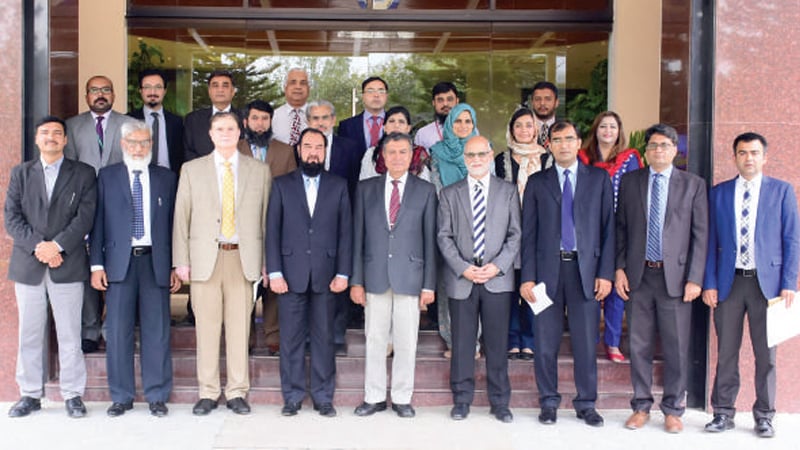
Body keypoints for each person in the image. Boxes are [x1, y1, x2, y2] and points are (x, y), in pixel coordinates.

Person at [172, 112, 271, 416]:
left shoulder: (259, 171)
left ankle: (237, 391)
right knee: (207, 328)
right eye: (219, 129)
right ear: (211, 134)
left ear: (240, 132)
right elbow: (181, 217)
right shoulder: (192, 170)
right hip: (205, 260)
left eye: (231, 128)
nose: (225, 133)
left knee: (240, 328)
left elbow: (266, 220)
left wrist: (267, 262)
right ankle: (208, 391)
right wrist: (181, 261)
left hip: (243, 257)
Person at [702, 132, 799, 438]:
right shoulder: (719, 193)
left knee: (766, 355)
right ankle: (723, 412)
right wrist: (710, 282)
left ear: (764, 157)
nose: (748, 158)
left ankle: (765, 415)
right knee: (727, 352)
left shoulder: (782, 192)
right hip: (729, 283)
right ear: (735, 157)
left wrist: (789, 283)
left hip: (767, 286)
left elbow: (792, 240)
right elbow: (709, 242)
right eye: (742, 153)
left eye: (754, 153)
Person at [519, 120, 614, 428]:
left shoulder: (598, 179)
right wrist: (527, 278)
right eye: (557, 139)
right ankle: (548, 401)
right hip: (546, 273)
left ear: (578, 142)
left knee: (586, 342)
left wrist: (605, 273)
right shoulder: (537, 182)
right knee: (545, 342)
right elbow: (528, 234)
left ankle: (586, 403)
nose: (563, 144)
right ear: (549, 145)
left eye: (568, 139)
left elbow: (608, 230)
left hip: (585, 272)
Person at [615, 123, 708, 434]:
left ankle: (673, 409)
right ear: (646, 150)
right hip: (639, 275)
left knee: (676, 347)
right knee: (638, 344)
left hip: (678, 280)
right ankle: (641, 405)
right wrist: (618, 268)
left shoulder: (692, 184)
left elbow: (700, 235)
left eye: (664, 146)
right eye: (653, 145)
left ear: (674, 150)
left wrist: (695, 278)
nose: (658, 150)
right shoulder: (631, 182)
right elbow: (621, 229)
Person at [6, 116, 96, 418]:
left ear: (66, 140)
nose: (51, 137)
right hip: (29, 266)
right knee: (29, 334)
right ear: (36, 138)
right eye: (45, 133)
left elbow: (85, 217)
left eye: (57, 133)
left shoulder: (83, 173)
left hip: (67, 263)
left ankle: (73, 395)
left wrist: (57, 246)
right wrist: (40, 248)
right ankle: (29, 394)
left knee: (70, 333)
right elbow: (12, 218)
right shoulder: (20, 173)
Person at [89, 120, 181, 417]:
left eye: (144, 143)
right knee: (117, 332)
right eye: (133, 143)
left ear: (151, 146)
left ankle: (156, 394)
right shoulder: (106, 176)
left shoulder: (167, 178)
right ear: (123, 145)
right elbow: (98, 222)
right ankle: (121, 395)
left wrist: (175, 266)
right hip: (119, 264)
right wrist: (96, 264)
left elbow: (174, 226)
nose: (139, 148)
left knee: (157, 332)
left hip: (155, 262)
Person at [266, 128, 352, 418]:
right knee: (290, 339)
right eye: (308, 146)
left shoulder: (338, 185)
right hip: (289, 276)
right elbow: (272, 231)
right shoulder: (280, 185)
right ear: (298, 150)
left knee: (324, 338)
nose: (313, 152)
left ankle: (323, 397)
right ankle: (291, 396)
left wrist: (344, 272)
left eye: (319, 147)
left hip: (328, 276)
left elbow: (345, 233)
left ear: (325, 152)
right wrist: (274, 271)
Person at [350, 132, 437, 419]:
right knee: (374, 338)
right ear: (382, 157)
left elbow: (429, 240)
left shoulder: (425, 190)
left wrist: (429, 285)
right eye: (392, 152)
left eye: (403, 152)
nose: (397, 157)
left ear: (411, 155)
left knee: (406, 340)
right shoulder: (365, 189)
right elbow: (357, 239)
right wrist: (357, 281)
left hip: (410, 277)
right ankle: (373, 397)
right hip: (374, 275)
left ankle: (402, 397)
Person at [438, 135, 521, 423]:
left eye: (481, 154)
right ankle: (462, 399)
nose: (475, 159)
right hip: (463, 279)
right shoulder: (450, 193)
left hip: (496, 278)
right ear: (464, 158)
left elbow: (515, 235)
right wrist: (463, 267)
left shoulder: (508, 192)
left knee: (497, 343)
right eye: (470, 155)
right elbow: (444, 237)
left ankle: (500, 402)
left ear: (490, 155)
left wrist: (497, 266)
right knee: (462, 344)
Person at [64, 75, 135, 353]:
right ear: (86, 95)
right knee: (87, 268)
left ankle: (113, 328)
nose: (100, 94)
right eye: (95, 90)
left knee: (116, 266)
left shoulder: (130, 125)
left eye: (106, 89)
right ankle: (90, 330)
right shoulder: (71, 125)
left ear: (114, 94)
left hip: (119, 204)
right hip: (82, 205)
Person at [577, 111, 643, 363]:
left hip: (620, 229)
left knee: (616, 286)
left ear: (619, 131)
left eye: (612, 127)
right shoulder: (583, 159)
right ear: (595, 130)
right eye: (602, 126)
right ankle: (589, 339)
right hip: (589, 230)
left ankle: (612, 342)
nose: (607, 131)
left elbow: (635, 194)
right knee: (590, 286)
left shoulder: (629, 159)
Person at [237, 99, 297, 355]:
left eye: (265, 119)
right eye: (255, 118)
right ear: (245, 122)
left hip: (278, 224)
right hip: (242, 228)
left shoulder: (284, 151)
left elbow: (293, 188)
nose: (260, 124)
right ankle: (244, 338)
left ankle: (273, 336)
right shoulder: (233, 149)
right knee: (243, 284)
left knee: (274, 282)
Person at [306, 100, 363, 354]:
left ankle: (338, 336)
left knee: (339, 276)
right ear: (309, 122)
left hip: (342, 220)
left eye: (325, 117)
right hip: (308, 225)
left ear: (334, 119)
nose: (320, 122)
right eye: (315, 118)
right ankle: (310, 335)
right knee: (311, 280)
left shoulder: (350, 147)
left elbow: (355, 185)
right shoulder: (301, 147)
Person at [495, 107, 547, 361]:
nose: (524, 130)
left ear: (536, 129)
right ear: (511, 130)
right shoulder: (500, 160)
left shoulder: (548, 159)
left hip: (539, 232)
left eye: (529, 125)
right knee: (510, 288)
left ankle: (531, 340)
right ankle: (512, 339)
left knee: (534, 285)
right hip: (507, 233)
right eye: (519, 126)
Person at [429, 102, 479, 357]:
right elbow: (438, 191)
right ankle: (452, 341)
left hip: (479, 229)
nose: (463, 126)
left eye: (468, 121)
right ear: (449, 124)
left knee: (477, 287)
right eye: (457, 121)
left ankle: (476, 344)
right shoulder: (436, 153)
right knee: (451, 287)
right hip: (448, 228)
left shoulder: (482, 150)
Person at [128, 68, 185, 174]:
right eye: (147, 87)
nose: (152, 92)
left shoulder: (177, 122)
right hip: (137, 177)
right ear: (140, 91)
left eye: (158, 87)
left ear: (165, 91)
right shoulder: (129, 120)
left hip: (169, 179)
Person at [359, 105, 430, 182]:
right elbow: (365, 185)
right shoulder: (372, 153)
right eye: (391, 121)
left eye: (401, 122)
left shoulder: (419, 155)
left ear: (408, 128)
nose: (396, 125)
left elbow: (425, 187)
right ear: (384, 127)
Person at [183, 70, 242, 161]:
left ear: (233, 91)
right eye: (215, 85)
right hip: (201, 172)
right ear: (209, 91)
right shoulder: (193, 119)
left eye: (225, 86)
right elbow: (188, 152)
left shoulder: (244, 118)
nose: (220, 90)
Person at [338, 76, 389, 159]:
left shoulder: (397, 123)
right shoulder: (347, 126)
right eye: (370, 91)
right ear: (363, 96)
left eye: (381, 91)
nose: (376, 95)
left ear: (386, 96)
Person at [414, 82, 460, 151]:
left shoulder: (470, 131)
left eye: (449, 99)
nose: (445, 104)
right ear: (434, 103)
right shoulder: (423, 134)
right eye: (440, 100)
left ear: (457, 101)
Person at [271, 68, 310, 146]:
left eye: (303, 83)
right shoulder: (273, 116)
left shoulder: (318, 116)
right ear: (285, 88)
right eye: (293, 82)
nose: (298, 87)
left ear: (309, 89)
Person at [529, 81, 559, 150]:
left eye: (548, 99)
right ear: (532, 102)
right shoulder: (524, 128)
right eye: (537, 99)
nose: (542, 103)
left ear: (556, 102)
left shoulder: (566, 127)